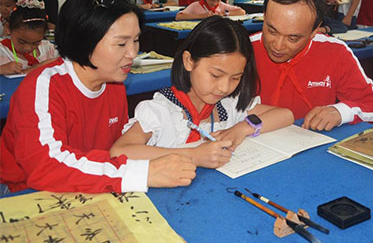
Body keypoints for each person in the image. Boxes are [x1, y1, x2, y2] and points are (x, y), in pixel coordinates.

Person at [0, 0, 196, 193]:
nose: (133, 53)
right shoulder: (42, 87)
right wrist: (143, 173)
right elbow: (45, 166)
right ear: (84, 42)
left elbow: (114, 149)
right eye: (121, 44)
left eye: (136, 40)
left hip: (84, 180)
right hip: (23, 190)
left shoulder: (113, 83)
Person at [111, 16, 294, 168]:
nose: (224, 87)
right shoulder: (162, 111)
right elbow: (120, 151)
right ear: (189, 61)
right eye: (215, 75)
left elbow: (285, 115)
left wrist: (242, 128)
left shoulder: (228, 104)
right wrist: (193, 155)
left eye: (235, 78)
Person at [251, 0, 373, 131]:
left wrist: (341, 112)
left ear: (315, 30)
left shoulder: (335, 52)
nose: (278, 45)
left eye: (293, 38)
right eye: (271, 30)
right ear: (264, 15)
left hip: (310, 147)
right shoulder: (244, 51)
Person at [0, 0, 58, 75]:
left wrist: (36, 67)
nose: (28, 48)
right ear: (8, 29)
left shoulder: (48, 49)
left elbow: (67, 61)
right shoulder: (2, 51)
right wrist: (2, 69)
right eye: (21, 42)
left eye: (36, 43)